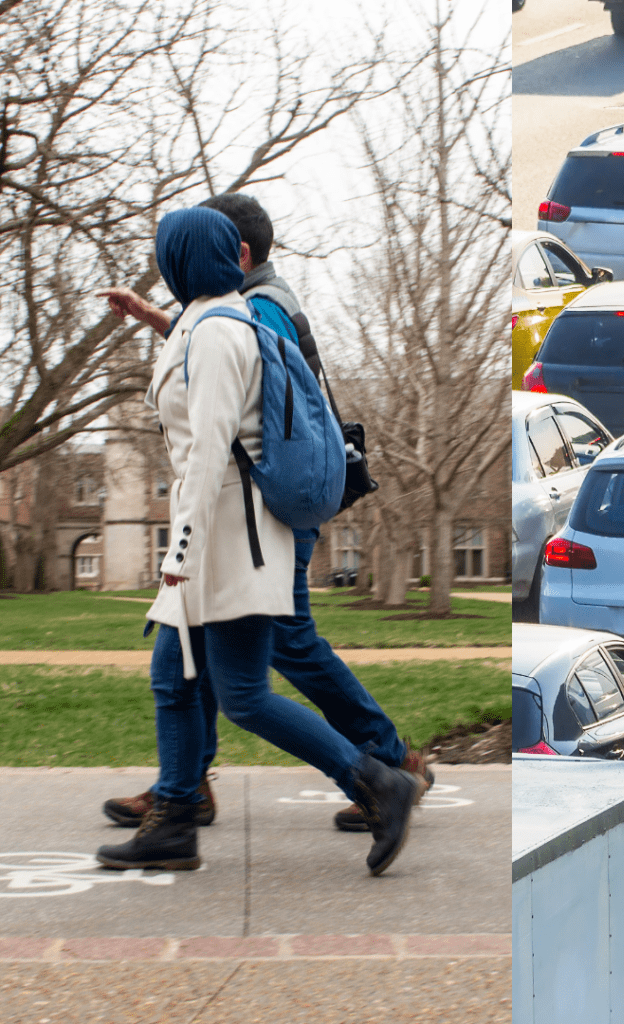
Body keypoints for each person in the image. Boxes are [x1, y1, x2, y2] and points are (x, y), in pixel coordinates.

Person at [94, 206, 419, 876]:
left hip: (230, 544)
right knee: (174, 678)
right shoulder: (208, 321)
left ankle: (378, 782)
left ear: (183, 259)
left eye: (166, 255)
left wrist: (177, 557)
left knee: (242, 695)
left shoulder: (218, 331)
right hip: (223, 537)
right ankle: (175, 821)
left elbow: (210, 452)